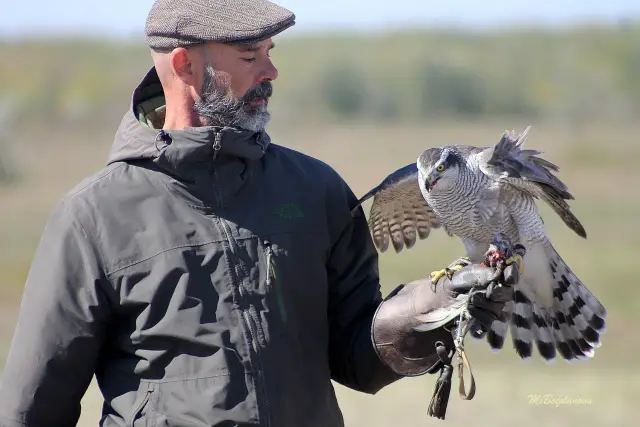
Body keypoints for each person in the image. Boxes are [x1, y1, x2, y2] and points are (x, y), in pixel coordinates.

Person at [0, 1, 516, 426]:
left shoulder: (317, 191)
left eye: (270, 51)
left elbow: (358, 356)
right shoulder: (92, 218)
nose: (271, 71)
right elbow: (32, 406)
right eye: (250, 55)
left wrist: (433, 308)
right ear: (184, 66)